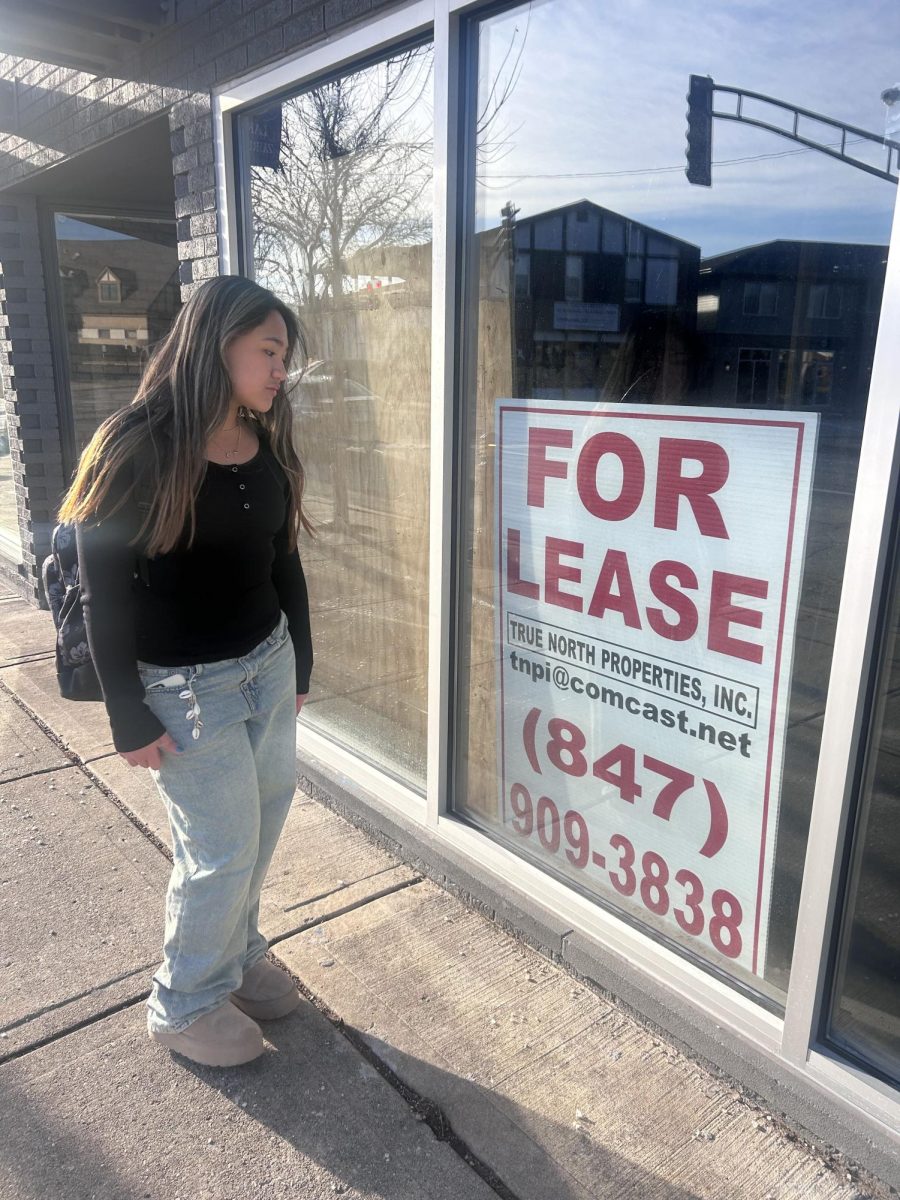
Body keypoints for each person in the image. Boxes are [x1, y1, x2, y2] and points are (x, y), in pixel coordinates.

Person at [59, 275, 314, 1068]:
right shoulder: (137, 446)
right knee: (222, 846)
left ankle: (232, 958)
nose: (281, 372)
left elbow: (285, 560)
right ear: (217, 344)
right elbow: (104, 598)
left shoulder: (262, 436)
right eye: (269, 352)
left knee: (264, 822)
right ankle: (184, 1002)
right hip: (184, 692)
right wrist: (125, 714)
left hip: (266, 667)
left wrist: (299, 659)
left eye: (284, 356)